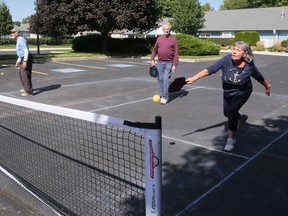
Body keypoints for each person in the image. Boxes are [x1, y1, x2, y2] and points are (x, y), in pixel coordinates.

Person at [186, 41, 271, 152]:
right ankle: (241, 118)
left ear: (245, 54)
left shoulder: (249, 65)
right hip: (228, 91)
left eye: (238, 50)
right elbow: (210, 69)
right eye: (233, 48)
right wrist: (194, 78)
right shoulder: (226, 60)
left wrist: (267, 86)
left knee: (231, 111)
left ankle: (231, 140)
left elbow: (259, 77)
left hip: (243, 91)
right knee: (227, 113)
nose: (234, 51)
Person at [151, 23, 179, 104]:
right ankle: (164, 94)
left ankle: (165, 97)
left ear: (170, 29)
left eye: (168, 29)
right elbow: (155, 50)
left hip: (169, 63)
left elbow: (176, 53)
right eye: (165, 29)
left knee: (166, 79)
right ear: (163, 30)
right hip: (160, 62)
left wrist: (175, 64)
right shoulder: (159, 39)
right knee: (160, 80)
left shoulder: (174, 39)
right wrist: (152, 59)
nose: (166, 30)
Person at [11, 28, 33, 96]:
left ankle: (29, 91)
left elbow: (26, 51)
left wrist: (25, 61)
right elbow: (21, 53)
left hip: (26, 58)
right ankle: (27, 88)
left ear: (17, 33)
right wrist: (18, 61)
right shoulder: (19, 40)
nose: (12, 34)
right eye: (11, 32)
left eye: (13, 32)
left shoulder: (20, 40)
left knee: (24, 74)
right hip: (23, 57)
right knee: (22, 74)